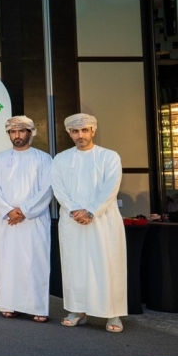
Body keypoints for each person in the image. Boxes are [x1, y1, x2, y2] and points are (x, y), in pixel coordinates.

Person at [52, 113, 127, 332]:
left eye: (85, 130)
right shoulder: (61, 159)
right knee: (74, 265)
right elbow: (59, 189)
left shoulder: (109, 157)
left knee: (107, 264)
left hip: (103, 220)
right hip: (72, 219)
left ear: (93, 131)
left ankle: (113, 314)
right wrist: (76, 210)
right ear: (69, 133)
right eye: (75, 131)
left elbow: (110, 187)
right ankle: (77, 310)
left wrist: (91, 211)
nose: (80, 135)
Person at [0, 115, 53, 322]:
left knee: (36, 261)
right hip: (8, 220)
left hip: (34, 219)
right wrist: (9, 211)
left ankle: (38, 307)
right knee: (9, 261)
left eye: (21, 131)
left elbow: (46, 189)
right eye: (13, 132)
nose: (17, 135)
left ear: (31, 132)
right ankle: (9, 304)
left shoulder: (43, 159)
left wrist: (24, 210)